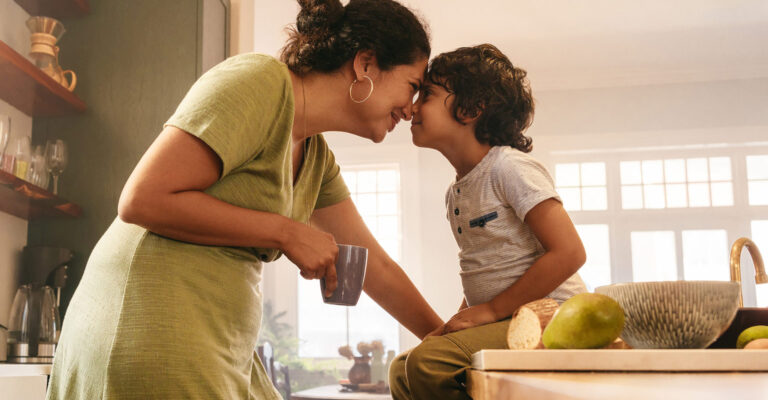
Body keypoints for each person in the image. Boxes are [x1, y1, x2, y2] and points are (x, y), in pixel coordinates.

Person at [46, 1, 443, 399]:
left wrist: (447, 343)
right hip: (148, 320)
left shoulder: (317, 157)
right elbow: (141, 200)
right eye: (412, 86)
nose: (411, 110)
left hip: (219, 338)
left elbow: (377, 267)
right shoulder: (260, 82)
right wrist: (287, 233)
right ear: (366, 64)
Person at [388, 44, 588, 400]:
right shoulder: (456, 194)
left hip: (553, 317)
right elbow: (485, 269)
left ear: (471, 109)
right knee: (402, 369)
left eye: (428, 95)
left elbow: (570, 252)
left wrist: (492, 310)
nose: (411, 108)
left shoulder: (509, 167)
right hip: (505, 318)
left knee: (427, 363)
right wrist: (462, 319)